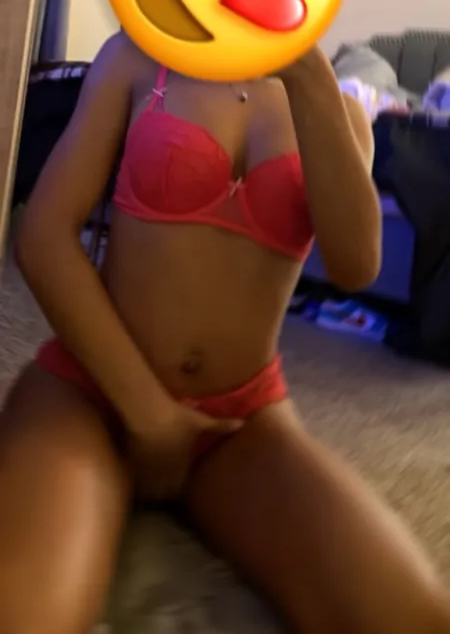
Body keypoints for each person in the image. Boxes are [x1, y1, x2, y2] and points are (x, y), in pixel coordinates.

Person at [0, 31, 449, 634]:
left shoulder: (338, 109)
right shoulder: (136, 60)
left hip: (239, 423)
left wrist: (312, 81)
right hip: (91, 390)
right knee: (22, 615)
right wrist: (149, 414)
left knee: (411, 617)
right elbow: (44, 238)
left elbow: (355, 266)